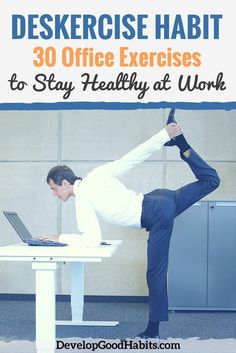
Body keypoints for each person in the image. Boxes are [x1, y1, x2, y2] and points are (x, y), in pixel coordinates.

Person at [44, 110, 220, 339]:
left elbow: (91, 240)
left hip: (156, 213)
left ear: (65, 183)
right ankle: (182, 144)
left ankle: (152, 331)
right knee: (211, 180)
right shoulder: (96, 175)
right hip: (159, 199)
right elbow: (132, 158)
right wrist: (163, 135)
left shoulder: (83, 197)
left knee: (154, 273)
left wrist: (61, 238)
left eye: (54, 189)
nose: (55, 194)